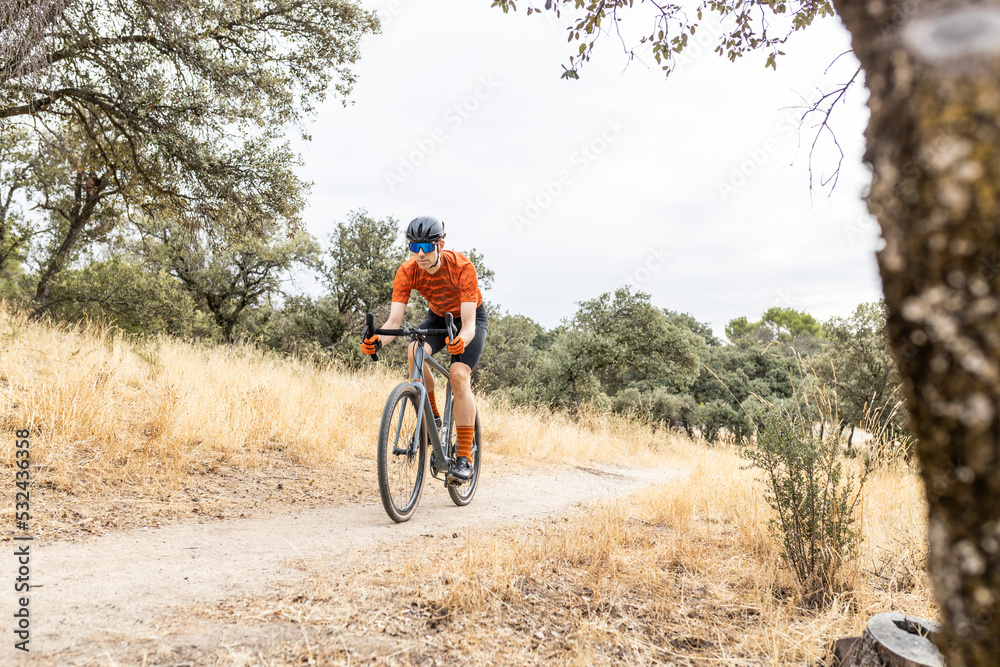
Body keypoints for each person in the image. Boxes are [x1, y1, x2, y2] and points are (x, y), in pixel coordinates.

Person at [361, 215, 488, 482]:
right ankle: (434, 420)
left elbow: (469, 326)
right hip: (438, 316)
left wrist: (461, 340)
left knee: (458, 375)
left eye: (427, 247)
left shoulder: (462, 267)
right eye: (414, 247)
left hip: (468, 318)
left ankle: (464, 457)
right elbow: (393, 323)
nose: (420, 254)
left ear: (440, 244)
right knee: (413, 351)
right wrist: (376, 341)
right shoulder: (407, 271)